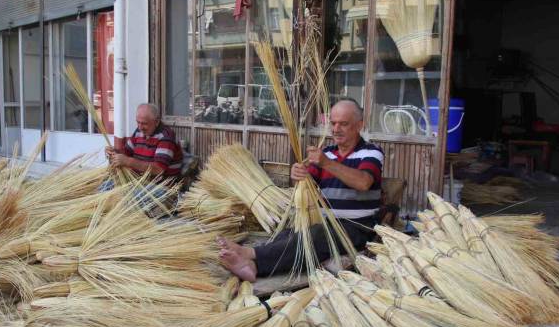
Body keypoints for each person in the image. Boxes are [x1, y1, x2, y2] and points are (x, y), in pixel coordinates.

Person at [219, 98, 384, 282]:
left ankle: (252, 260)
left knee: (315, 236)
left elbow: (363, 182)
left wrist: (327, 164)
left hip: (357, 227)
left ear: (359, 125)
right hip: (324, 222)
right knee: (288, 234)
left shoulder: (371, 152)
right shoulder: (327, 153)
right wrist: (298, 174)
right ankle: (252, 258)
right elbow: (308, 184)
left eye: (344, 124)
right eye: (333, 123)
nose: (336, 129)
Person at [104, 103, 183, 179]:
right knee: (106, 185)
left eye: (144, 123)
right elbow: (126, 152)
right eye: (138, 122)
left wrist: (128, 161)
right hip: (138, 179)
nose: (140, 127)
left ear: (156, 122)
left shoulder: (166, 137)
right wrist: (114, 153)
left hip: (161, 185)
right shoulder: (139, 132)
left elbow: (158, 169)